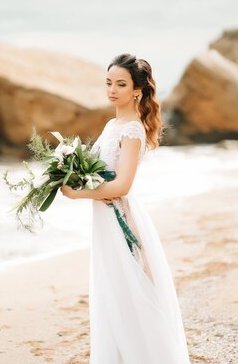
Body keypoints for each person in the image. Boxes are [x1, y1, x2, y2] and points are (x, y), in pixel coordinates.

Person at [60, 54, 191, 363]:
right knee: (112, 292)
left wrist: (76, 193)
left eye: (121, 84)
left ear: (137, 90)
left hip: (120, 217)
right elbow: (97, 170)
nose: (112, 90)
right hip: (104, 218)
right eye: (109, 83)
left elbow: (122, 186)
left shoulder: (132, 130)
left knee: (129, 291)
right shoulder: (112, 124)